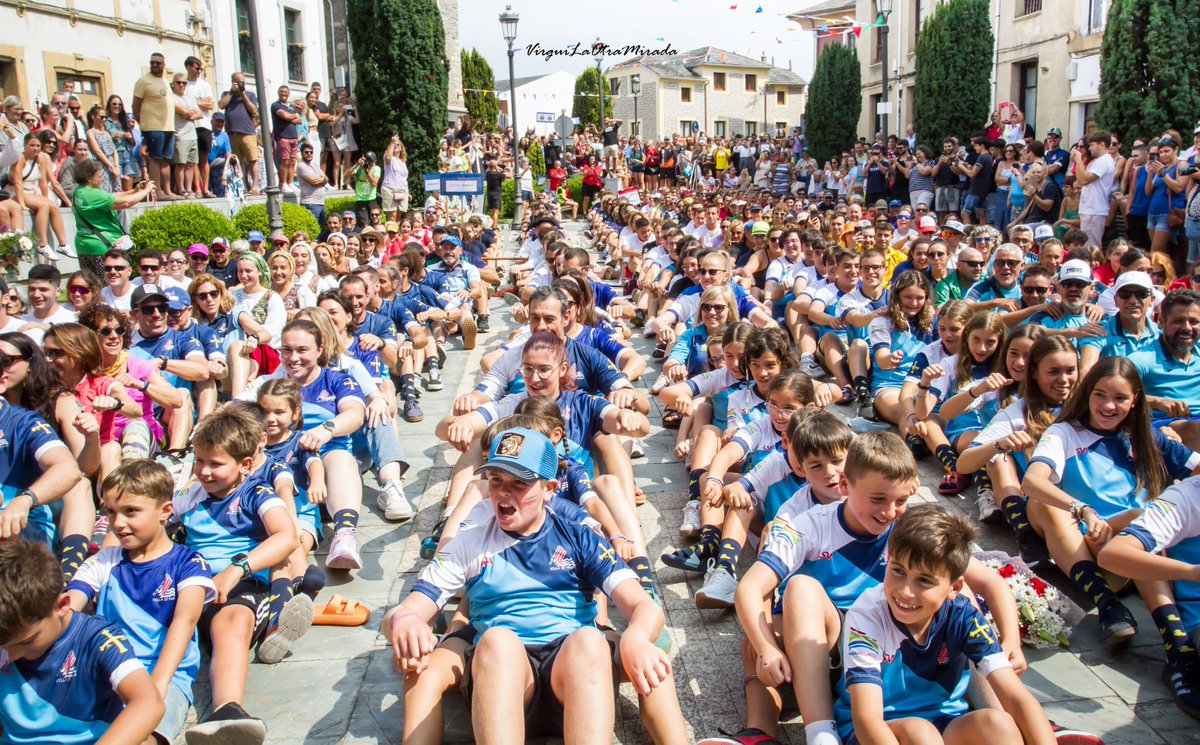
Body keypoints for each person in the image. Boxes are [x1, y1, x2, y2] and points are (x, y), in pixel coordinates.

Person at [387, 426, 684, 744]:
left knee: (608, 645)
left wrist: (636, 637)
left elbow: (642, 605)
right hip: (504, 675)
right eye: (496, 480)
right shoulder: (469, 543)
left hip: (571, 671)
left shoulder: (580, 538)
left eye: (519, 483)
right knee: (497, 641)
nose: (504, 493)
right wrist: (405, 622)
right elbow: (406, 611)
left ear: (549, 489)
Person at [838, 505, 1058, 745]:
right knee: (921, 733)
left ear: (954, 587)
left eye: (924, 581)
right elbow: (867, 721)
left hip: (945, 721)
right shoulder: (867, 616)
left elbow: (1017, 698)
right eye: (898, 571)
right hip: (877, 733)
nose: (905, 591)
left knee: (999, 725)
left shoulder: (963, 616)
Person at [171, 407, 303, 742]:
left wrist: (237, 568)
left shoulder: (256, 493)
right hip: (190, 585)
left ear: (244, 464)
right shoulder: (189, 496)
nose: (204, 472)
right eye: (199, 461)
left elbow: (286, 536)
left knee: (232, 623)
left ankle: (227, 711)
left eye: (215, 464)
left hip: (239, 587)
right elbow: (158, 518)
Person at [66, 460, 215, 745]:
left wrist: (158, 682)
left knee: (146, 735)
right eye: (110, 512)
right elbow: (69, 605)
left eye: (130, 511)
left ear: (165, 511)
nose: (117, 523)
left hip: (165, 675)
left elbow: (184, 622)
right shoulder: (104, 561)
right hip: (108, 672)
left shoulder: (188, 563)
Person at [0, 539, 164, 744]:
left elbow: (148, 703)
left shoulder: (98, 638)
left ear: (62, 605)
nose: (9, 655)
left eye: (26, 641)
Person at [71, 160, 155, 277]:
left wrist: (134, 191)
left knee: (90, 283)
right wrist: (146, 190)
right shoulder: (92, 194)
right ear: (89, 178)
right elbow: (125, 203)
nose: (102, 179)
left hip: (84, 245)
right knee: (108, 283)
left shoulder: (79, 191)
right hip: (102, 245)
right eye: (99, 176)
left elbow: (111, 196)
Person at [11, 133, 74, 261]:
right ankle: (43, 244)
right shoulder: (20, 158)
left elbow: (43, 182)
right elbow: (17, 183)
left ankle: (63, 244)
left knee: (53, 206)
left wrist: (46, 198)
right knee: (44, 206)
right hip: (19, 192)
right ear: (25, 145)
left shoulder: (41, 158)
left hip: (33, 192)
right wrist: (22, 204)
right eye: (32, 145)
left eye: (38, 146)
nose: (35, 148)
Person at [132, 52, 174, 198]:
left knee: (166, 159)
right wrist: (142, 122)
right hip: (153, 126)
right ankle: (157, 191)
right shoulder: (143, 81)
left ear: (164, 65)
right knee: (155, 158)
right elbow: (135, 106)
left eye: (158, 63)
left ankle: (167, 191)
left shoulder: (166, 81)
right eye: (152, 62)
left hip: (168, 127)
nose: (154, 65)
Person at [1072, 131, 1116, 249]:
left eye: (1092, 145)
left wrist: (1079, 160)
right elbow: (1080, 180)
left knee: (1091, 247)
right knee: (1085, 245)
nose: (1089, 148)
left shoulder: (1104, 160)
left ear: (1102, 144)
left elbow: (1084, 180)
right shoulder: (1096, 161)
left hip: (1095, 210)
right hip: (1089, 209)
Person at [219, 72, 261, 194]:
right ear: (232, 82)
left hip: (247, 133)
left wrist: (243, 95)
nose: (239, 84)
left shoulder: (250, 94)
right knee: (237, 162)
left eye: (242, 82)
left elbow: (254, 111)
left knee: (252, 160)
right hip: (232, 134)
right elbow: (221, 105)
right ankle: (242, 187)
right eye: (237, 82)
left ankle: (255, 186)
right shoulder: (227, 94)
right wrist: (231, 92)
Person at [184, 56, 216, 198]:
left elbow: (210, 105)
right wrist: (199, 102)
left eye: (200, 69)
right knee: (193, 160)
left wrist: (193, 103)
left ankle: (206, 188)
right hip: (189, 126)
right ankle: (197, 188)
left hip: (203, 125)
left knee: (204, 158)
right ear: (188, 67)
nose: (198, 71)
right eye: (196, 68)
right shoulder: (183, 84)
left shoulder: (204, 85)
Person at [170, 73, 202, 199]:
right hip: (180, 135)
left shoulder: (190, 98)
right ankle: (181, 189)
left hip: (192, 135)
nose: (182, 85)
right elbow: (182, 111)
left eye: (184, 83)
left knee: (190, 164)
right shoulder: (172, 98)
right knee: (180, 164)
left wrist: (188, 115)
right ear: (174, 84)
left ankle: (189, 188)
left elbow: (200, 114)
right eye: (179, 82)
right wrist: (189, 113)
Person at [270, 85, 301, 193]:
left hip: (294, 136)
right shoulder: (275, 105)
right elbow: (285, 116)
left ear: (288, 93)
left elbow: (300, 120)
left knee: (292, 161)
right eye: (282, 92)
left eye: (285, 92)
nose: (284, 93)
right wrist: (292, 116)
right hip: (283, 137)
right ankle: (283, 183)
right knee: (285, 161)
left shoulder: (291, 107)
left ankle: (290, 183)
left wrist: (289, 116)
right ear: (278, 93)